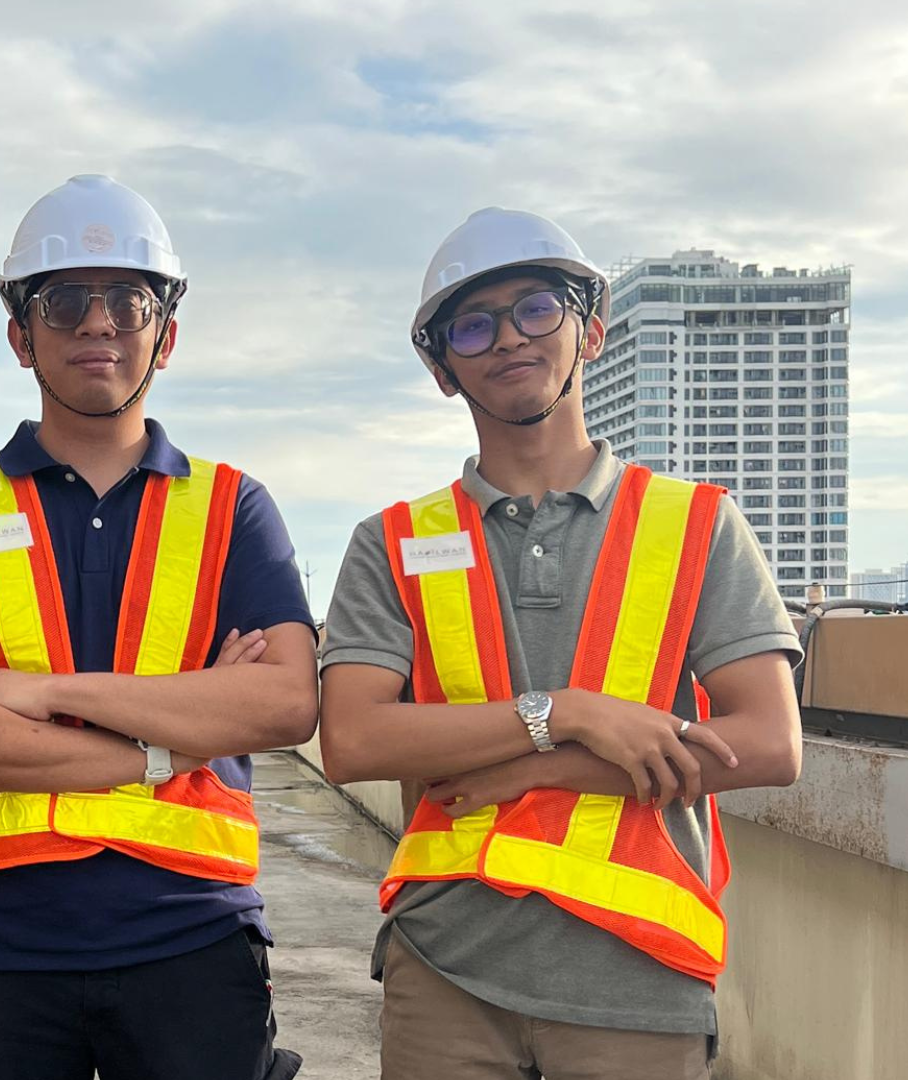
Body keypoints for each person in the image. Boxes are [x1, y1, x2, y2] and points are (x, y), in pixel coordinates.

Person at [317, 207, 804, 1079]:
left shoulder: (696, 524)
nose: (509, 336)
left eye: (538, 309)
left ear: (592, 332)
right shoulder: (392, 541)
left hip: (637, 976)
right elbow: (353, 741)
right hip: (444, 967)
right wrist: (569, 714)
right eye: (474, 325)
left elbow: (769, 743)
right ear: (443, 369)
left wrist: (532, 771)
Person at [0, 175, 317, 1080]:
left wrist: (46, 692)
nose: (98, 323)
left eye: (129, 301)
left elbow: (283, 704)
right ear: (20, 336)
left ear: (166, 335)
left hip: (194, 937)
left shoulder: (233, 509)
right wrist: (171, 742)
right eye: (64, 301)